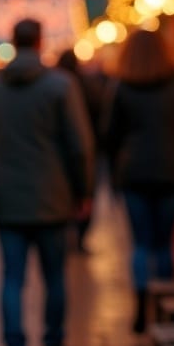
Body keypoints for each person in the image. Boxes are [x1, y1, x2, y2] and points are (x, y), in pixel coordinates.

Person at [0, 18, 93, 346]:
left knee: (12, 278)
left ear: (13, 41)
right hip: (52, 197)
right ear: (40, 42)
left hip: (7, 199)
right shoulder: (60, 86)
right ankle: (53, 345)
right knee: (54, 276)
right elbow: (79, 145)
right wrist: (83, 191)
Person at [103, 27, 174, 334]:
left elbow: (110, 136)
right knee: (164, 244)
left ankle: (141, 307)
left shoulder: (122, 87)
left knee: (141, 244)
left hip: (134, 174)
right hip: (170, 172)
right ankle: (165, 305)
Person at [55, 49, 106, 252]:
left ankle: (69, 233)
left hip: (62, 153)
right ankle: (79, 235)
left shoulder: (58, 87)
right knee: (86, 194)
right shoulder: (85, 86)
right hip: (88, 148)